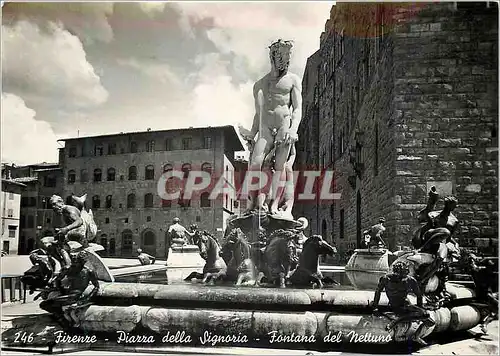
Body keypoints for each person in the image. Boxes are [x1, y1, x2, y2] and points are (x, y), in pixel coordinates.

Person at [240, 39, 302, 216]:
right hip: (265, 128)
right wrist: (252, 133)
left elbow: (297, 108)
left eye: (289, 57)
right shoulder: (259, 84)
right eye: (283, 56)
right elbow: (258, 113)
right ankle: (252, 205)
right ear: (273, 56)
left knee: (280, 168)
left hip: (284, 125)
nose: (287, 61)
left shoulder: (293, 80)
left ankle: (274, 205)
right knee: (256, 164)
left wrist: (293, 129)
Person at [372, 261, 435, 346]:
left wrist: (420, 309)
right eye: (398, 275)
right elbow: (377, 292)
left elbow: (419, 295)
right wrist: (375, 307)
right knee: (425, 315)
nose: (400, 277)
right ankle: (396, 321)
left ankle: (415, 335)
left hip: (406, 305)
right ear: (394, 272)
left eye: (402, 275)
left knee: (429, 320)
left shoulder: (410, 280)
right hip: (395, 306)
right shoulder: (386, 279)